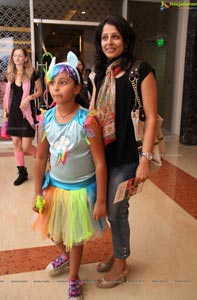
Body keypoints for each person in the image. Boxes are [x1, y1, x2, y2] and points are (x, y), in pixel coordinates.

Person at [32, 51, 107, 300]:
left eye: (62, 82)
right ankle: (64, 255)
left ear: (76, 88)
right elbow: (41, 157)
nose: (55, 88)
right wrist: (36, 192)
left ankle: (74, 276)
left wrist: (101, 200)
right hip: (54, 187)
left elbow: (99, 162)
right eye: (52, 83)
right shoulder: (46, 119)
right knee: (54, 231)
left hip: (80, 191)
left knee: (75, 236)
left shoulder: (87, 122)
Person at [89, 15, 158, 288]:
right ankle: (117, 251)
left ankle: (121, 264)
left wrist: (145, 160)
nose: (109, 42)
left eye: (115, 36)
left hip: (129, 156)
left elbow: (151, 117)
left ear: (126, 39)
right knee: (108, 208)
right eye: (105, 37)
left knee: (117, 211)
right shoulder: (99, 73)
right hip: (104, 156)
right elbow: (93, 114)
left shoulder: (141, 70)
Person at [3, 46, 42, 185]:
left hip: (27, 114)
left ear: (26, 58)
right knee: (16, 143)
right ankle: (22, 172)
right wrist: (6, 114)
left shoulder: (33, 73)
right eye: (15, 56)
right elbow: (7, 96)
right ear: (12, 58)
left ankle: (44, 159)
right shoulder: (10, 75)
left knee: (27, 147)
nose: (17, 58)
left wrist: (28, 98)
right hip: (14, 113)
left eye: (20, 55)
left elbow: (40, 91)